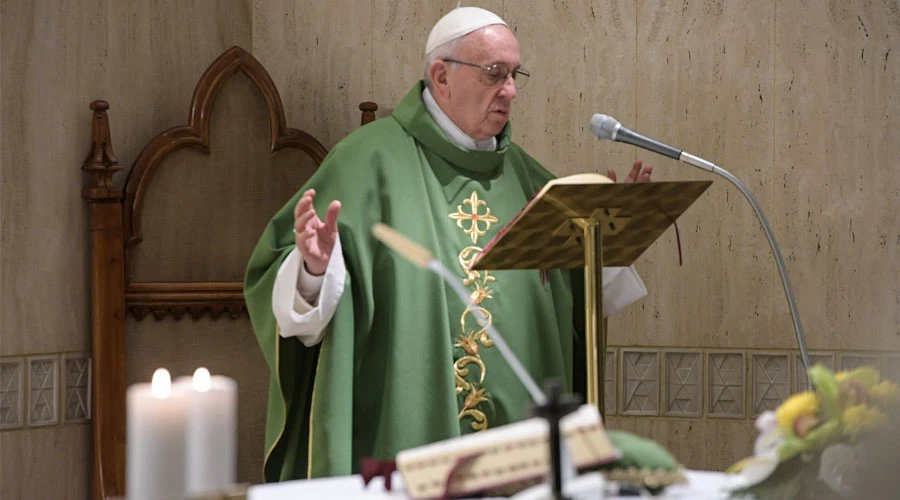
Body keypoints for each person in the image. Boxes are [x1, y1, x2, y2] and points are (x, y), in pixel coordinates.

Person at [245, 6, 653, 482]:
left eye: (515, 74)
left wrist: (613, 234)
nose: (511, 90)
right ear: (441, 76)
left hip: (522, 461)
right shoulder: (365, 164)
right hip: (408, 448)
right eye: (494, 73)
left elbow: (578, 298)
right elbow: (290, 302)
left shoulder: (526, 178)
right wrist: (313, 270)